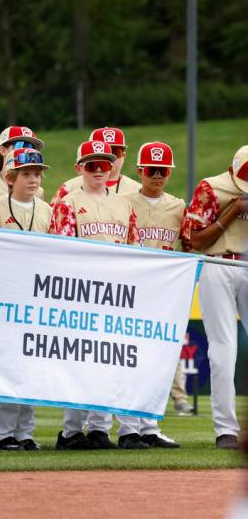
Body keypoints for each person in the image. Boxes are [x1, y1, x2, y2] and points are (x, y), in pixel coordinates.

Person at [50, 140, 146, 450]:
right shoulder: (67, 202)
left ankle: (100, 429)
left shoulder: (124, 204)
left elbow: (135, 249)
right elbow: (61, 251)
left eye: (104, 164)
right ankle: (71, 430)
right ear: (79, 168)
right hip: (80, 291)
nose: (99, 170)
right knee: (78, 360)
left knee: (110, 360)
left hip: (115, 292)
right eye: (91, 164)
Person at [0, 148, 52, 450]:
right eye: (26, 173)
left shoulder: (48, 210)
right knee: (8, 366)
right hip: (6, 294)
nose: (33, 179)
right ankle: (3, 433)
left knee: (32, 368)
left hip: (38, 294)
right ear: (10, 177)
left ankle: (25, 432)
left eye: (37, 173)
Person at [182, 144, 248, 449]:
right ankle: (226, 429)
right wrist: (231, 212)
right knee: (224, 349)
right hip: (219, 263)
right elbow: (194, 239)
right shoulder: (212, 187)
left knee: (225, 348)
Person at [122, 141, 186, 448]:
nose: (157, 175)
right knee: (129, 360)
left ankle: (149, 426)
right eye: (151, 170)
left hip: (165, 292)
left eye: (163, 170)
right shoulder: (124, 201)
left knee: (157, 362)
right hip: (132, 289)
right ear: (139, 171)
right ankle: (128, 428)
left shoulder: (178, 206)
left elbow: (188, 245)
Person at [51, 127, 141, 204]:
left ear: (124, 156)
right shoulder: (68, 188)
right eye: (101, 153)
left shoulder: (137, 190)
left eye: (115, 152)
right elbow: (52, 220)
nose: (109, 158)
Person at [0, 126, 45, 203]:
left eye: (31, 148)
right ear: (2, 150)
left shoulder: (37, 191)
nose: (25, 151)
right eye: (20, 145)